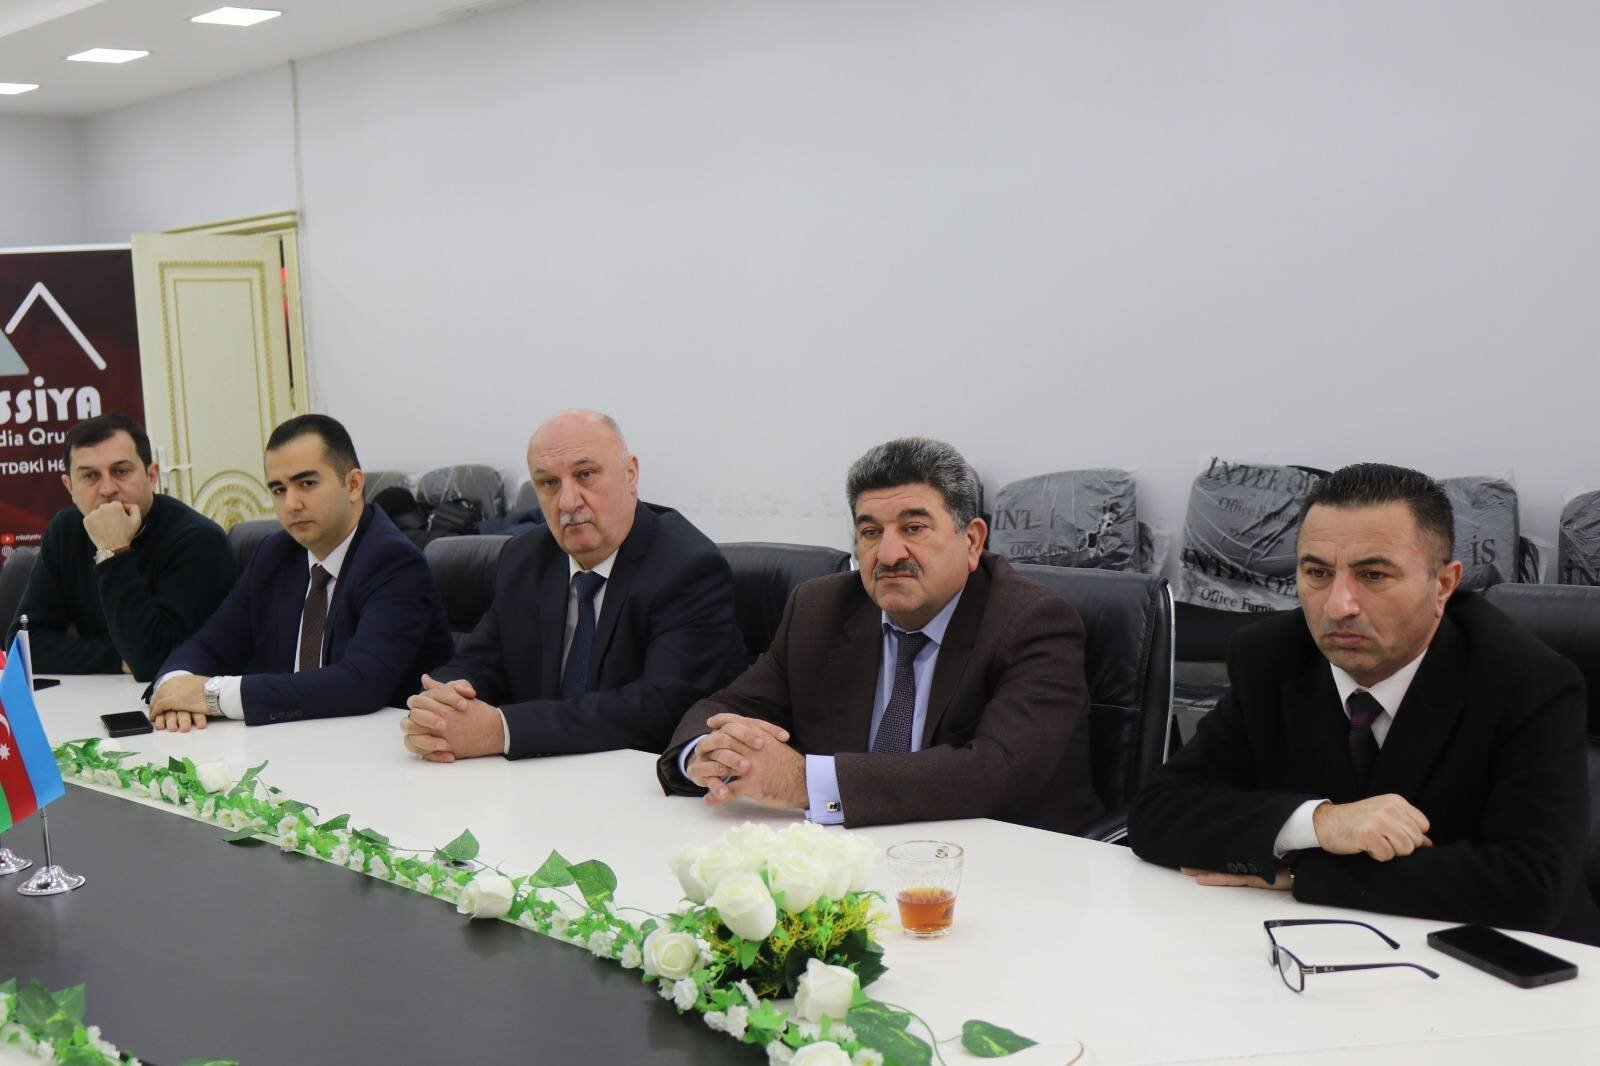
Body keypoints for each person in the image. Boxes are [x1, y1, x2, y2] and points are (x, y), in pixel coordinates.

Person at [1129, 463, 1600, 945]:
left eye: (1373, 575)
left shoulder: (1528, 682)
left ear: (1443, 585)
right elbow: (1158, 813)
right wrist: (1320, 823)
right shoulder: (1271, 656)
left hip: (1502, 960)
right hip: (1314, 946)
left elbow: (1531, 885)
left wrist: (1304, 872)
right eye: (1317, 573)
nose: (1338, 606)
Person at [657, 436, 1102, 834]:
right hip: (858, 855)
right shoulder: (819, 609)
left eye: (914, 528)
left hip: (1010, 864)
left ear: (972, 541)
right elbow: (722, 708)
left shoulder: (1033, 622)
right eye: (870, 532)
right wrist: (709, 755)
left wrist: (803, 782)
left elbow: (999, 772)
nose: (888, 554)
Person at [400, 410, 744, 760]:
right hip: (532, 778)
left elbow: (660, 708)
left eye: (585, 474)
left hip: (632, 778)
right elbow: (483, 660)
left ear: (631, 474)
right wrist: (444, 702)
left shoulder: (687, 567)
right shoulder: (525, 557)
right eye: (548, 483)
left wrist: (502, 731)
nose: (567, 501)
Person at [147, 414, 452, 730]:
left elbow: (360, 683)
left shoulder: (393, 561)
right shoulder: (274, 554)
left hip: (378, 745)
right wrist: (174, 688)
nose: (291, 503)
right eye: (278, 489)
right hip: (289, 741)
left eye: (307, 483)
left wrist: (212, 695)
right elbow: (209, 644)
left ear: (353, 485)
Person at [6, 413, 233, 681]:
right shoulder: (66, 530)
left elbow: (155, 662)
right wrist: (116, 660)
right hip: (106, 694)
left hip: (192, 699)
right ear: (69, 487)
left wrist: (113, 550)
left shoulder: (199, 541)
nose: (107, 489)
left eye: (121, 471)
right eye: (90, 476)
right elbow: (22, 646)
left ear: (151, 475)